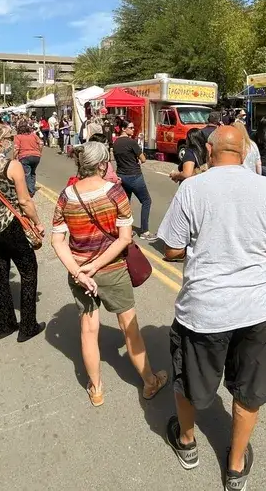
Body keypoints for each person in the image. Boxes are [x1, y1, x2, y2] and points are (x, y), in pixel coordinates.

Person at [158, 127, 266, 488]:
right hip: (254, 309)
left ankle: (187, 441)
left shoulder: (192, 188)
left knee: (188, 379)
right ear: (246, 150)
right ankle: (235, 467)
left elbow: (170, 249)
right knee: (249, 389)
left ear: (209, 150)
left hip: (204, 309)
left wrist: (207, 247)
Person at [50, 141, 168, 407]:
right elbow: (125, 238)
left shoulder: (66, 195)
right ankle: (150, 381)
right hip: (113, 269)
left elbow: (57, 241)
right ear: (103, 164)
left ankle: (97, 388)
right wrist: (96, 265)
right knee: (130, 328)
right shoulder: (115, 193)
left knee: (88, 329)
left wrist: (81, 272)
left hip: (79, 270)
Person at [0, 123, 46, 342]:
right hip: (10, 224)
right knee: (29, 271)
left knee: (0, 272)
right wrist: (37, 222)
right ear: (1, 142)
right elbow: (24, 200)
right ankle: (28, 325)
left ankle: (3, 325)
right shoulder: (12, 166)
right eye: (10, 139)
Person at [112, 122, 155, 241]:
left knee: (126, 203)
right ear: (123, 129)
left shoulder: (116, 143)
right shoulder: (131, 142)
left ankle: (126, 230)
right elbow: (143, 159)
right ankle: (145, 231)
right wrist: (138, 159)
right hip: (134, 175)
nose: (133, 129)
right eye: (130, 128)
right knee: (146, 201)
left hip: (121, 175)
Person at [12, 117, 43, 197]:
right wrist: (40, 151)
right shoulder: (33, 135)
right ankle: (32, 188)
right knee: (33, 172)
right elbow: (41, 143)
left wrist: (14, 158)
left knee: (27, 174)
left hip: (24, 156)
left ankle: (30, 191)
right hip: (36, 156)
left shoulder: (18, 137)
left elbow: (16, 149)